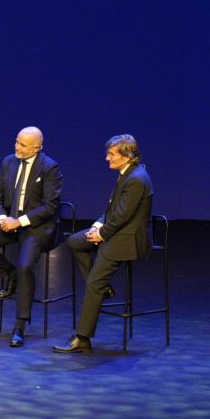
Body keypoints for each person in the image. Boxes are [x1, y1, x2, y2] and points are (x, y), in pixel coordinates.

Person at [53, 133, 153, 354]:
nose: (107, 158)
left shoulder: (137, 179)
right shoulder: (127, 174)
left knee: (94, 283)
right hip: (116, 230)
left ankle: (82, 338)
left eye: (111, 154)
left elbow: (122, 216)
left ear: (127, 156)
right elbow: (113, 210)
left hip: (127, 238)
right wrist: (98, 225)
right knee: (75, 241)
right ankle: (103, 288)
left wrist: (102, 234)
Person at [0, 126, 63, 347]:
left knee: (25, 266)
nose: (17, 147)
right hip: (9, 221)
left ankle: (20, 324)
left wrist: (19, 222)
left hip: (35, 226)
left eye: (23, 145)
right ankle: (9, 274)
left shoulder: (49, 167)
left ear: (37, 148)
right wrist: (2, 218)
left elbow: (50, 206)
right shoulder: (8, 162)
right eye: (17, 142)